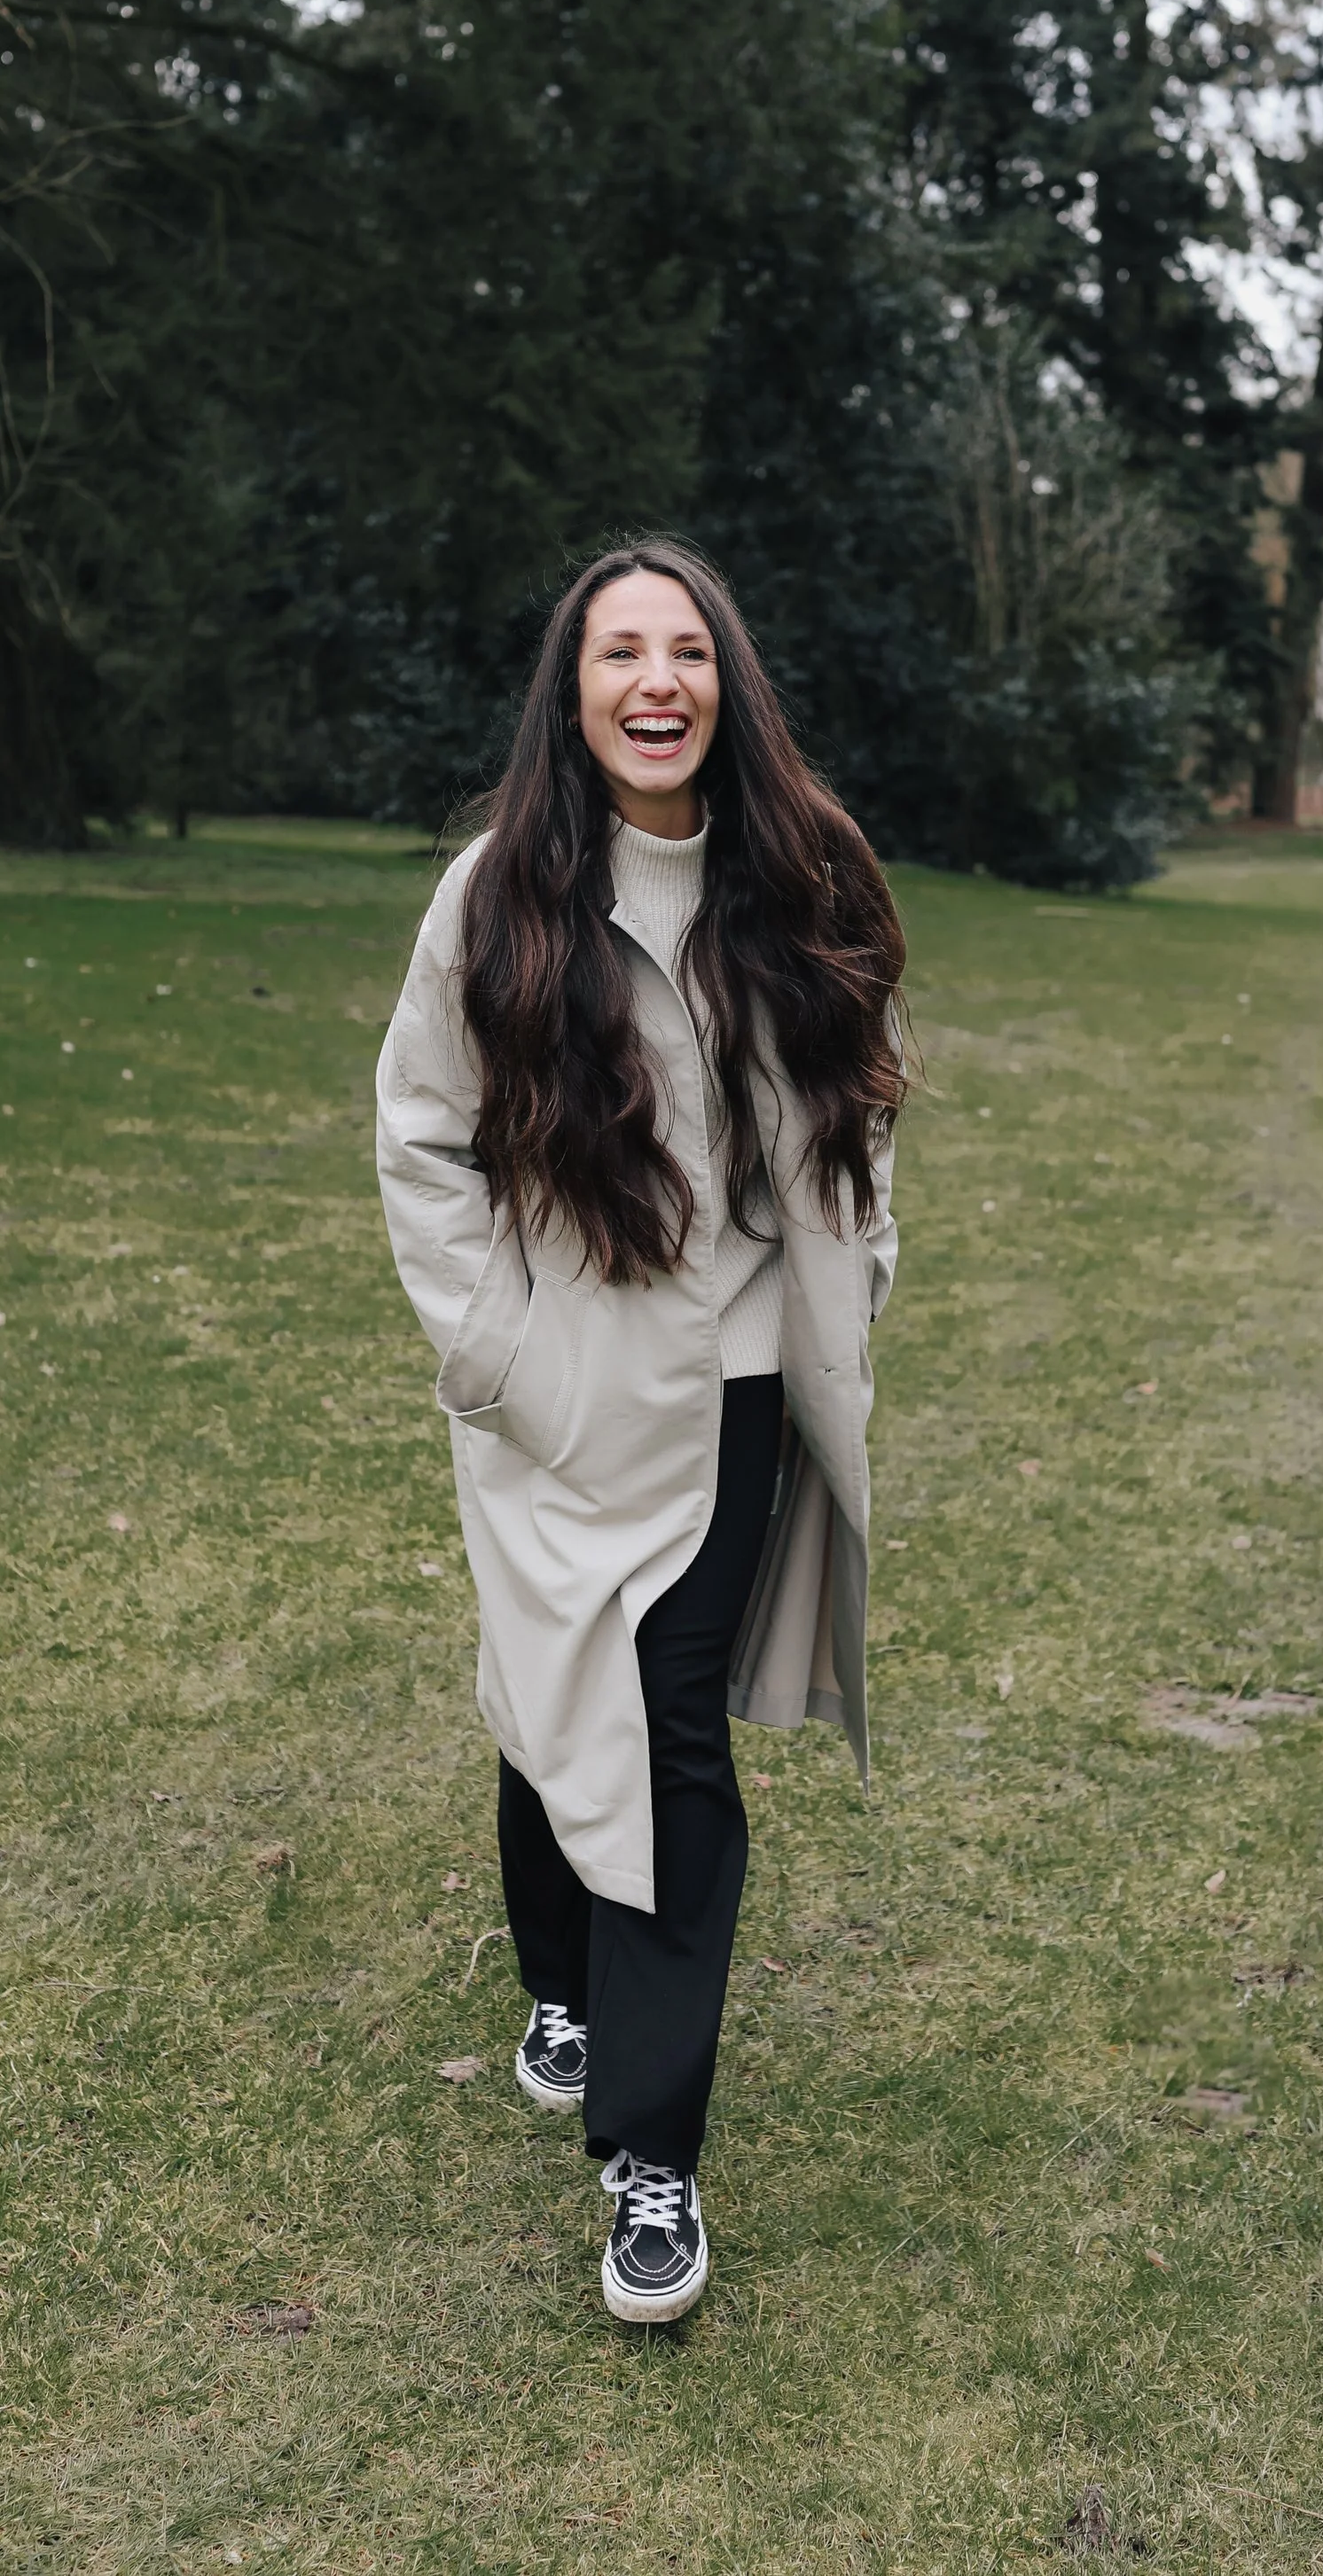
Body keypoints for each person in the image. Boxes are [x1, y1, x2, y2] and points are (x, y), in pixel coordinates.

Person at [374, 539, 904, 2324]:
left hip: (730, 1391)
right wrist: (495, 1357)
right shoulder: (496, 896)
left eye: (686, 651)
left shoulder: (800, 871)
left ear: (723, 684)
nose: (656, 682)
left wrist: (852, 1277)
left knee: (668, 1734)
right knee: (549, 1694)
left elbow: (860, 1105)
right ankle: (561, 1982)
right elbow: (420, 1135)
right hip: (554, 1388)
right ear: (574, 689)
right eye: (621, 652)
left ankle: (651, 2153)